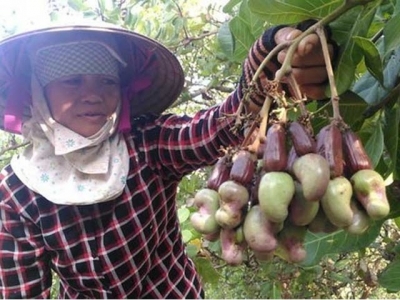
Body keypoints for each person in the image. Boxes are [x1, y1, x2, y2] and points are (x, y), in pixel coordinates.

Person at [0, 19, 335, 298]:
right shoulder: (16, 191)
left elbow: (219, 128)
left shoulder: (147, 143)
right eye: (72, 81)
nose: (93, 95)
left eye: (106, 80)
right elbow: (23, 289)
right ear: (37, 94)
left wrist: (270, 55)